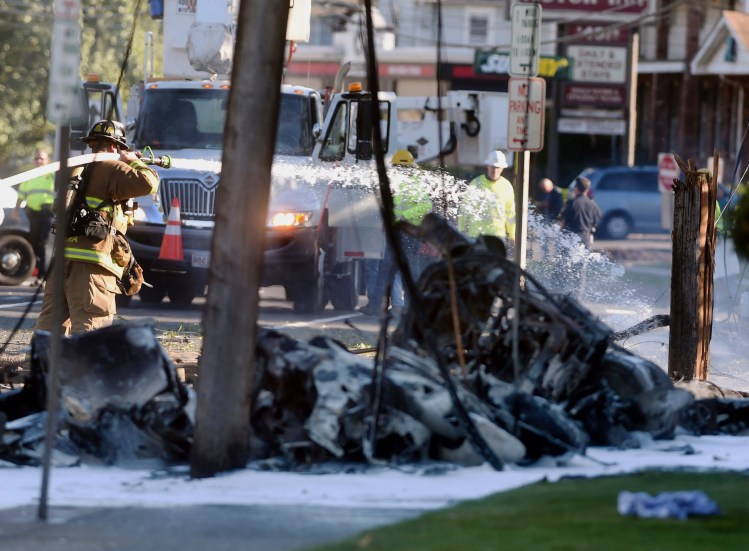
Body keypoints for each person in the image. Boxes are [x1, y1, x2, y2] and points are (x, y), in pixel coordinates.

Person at [35, 120, 159, 335]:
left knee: (50, 323)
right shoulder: (113, 168)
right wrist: (133, 162)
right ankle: (84, 369)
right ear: (115, 147)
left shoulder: (79, 168)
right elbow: (149, 182)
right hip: (92, 264)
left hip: (63, 261)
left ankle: (39, 366)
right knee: (92, 323)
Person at [359, 149, 431, 317]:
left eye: (399, 167)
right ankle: (379, 307)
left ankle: (404, 308)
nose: (397, 170)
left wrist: (404, 215)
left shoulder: (415, 184)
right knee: (389, 271)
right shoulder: (396, 183)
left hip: (407, 234)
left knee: (403, 271)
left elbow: (426, 207)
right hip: (400, 233)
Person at [13, 148, 55, 284]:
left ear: (47, 160)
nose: (38, 161)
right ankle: (40, 275)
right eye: (36, 159)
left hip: (48, 215)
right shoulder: (29, 176)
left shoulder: (52, 175)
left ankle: (43, 277)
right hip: (33, 215)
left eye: (41, 159)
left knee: (44, 245)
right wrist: (15, 211)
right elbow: (21, 196)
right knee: (35, 244)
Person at [458, 150, 515, 246]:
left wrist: (512, 234)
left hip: (498, 236)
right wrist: (461, 229)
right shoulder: (476, 183)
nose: (495, 170)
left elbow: (510, 212)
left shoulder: (507, 186)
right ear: (487, 166)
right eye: (493, 167)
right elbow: (464, 209)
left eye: (498, 167)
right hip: (476, 235)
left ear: (502, 168)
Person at [560, 176, 601, 249]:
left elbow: (563, 221)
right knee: (584, 259)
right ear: (587, 189)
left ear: (576, 188)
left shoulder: (571, 203)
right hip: (586, 237)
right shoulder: (593, 204)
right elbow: (596, 221)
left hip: (572, 236)